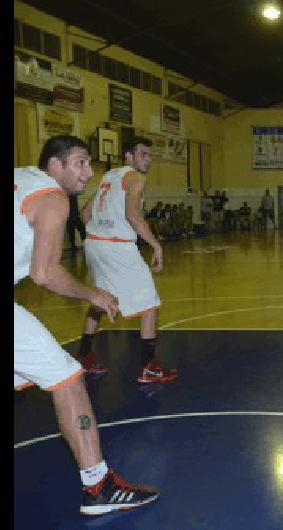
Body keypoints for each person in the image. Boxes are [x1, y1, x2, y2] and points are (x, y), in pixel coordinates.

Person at [15, 135, 159, 515]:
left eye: (89, 163)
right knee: (67, 379)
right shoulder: (52, 197)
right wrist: (93, 294)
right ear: (54, 165)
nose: (88, 172)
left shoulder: (20, 178)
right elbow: (43, 273)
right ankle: (97, 486)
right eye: (79, 163)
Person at [75, 136, 177, 384]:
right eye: (143, 154)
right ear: (129, 156)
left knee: (100, 300)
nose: (148, 160)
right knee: (149, 304)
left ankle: (85, 356)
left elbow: (84, 214)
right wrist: (156, 245)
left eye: (149, 155)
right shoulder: (135, 178)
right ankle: (148, 366)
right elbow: (132, 215)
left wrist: (101, 234)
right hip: (117, 247)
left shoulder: (108, 177)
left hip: (95, 244)